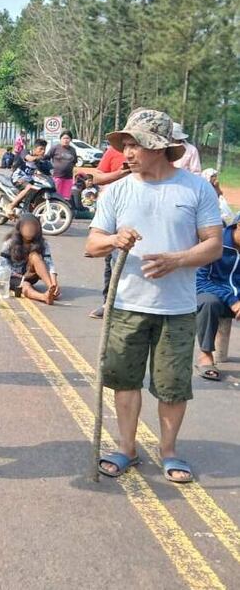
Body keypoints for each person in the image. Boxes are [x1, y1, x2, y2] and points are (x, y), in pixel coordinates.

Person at [86, 108, 222, 484]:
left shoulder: (196, 189)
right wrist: (114, 240)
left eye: (136, 145)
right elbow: (92, 244)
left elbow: (213, 245)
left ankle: (169, 452)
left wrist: (178, 260)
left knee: (172, 385)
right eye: (125, 145)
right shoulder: (117, 191)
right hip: (126, 305)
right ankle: (126, 449)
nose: (127, 153)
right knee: (124, 380)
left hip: (177, 308)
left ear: (160, 147)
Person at [88, 144, 133, 319]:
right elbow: (97, 178)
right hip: (115, 213)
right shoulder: (114, 151)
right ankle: (109, 303)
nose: (131, 152)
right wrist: (120, 174)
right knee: (111, 259)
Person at [195, 214, 240, 381]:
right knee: (209, 302)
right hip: (214, 295)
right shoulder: (215, 242)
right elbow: (200, 281)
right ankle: (205, 355)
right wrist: (233, 301)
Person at [0, 214, 59, 304]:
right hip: (12, 276)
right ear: (20, 228)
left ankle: (50, 288)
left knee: (35, 256)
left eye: (33, 227)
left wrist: (54, 283)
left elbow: (49, 263)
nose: (30, 230)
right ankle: (43, 297)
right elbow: (2, 266)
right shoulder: (9, 243)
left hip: (30, 274)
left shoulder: (43, 243)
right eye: (26, 227)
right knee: (26, 286)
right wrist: (19, 278)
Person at [5, 138, 51, 217]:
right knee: (30, 187)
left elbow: (47, 171)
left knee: (40, 188)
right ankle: (11, 206)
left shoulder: (39, 161)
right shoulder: (25, 152)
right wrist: (39, 158)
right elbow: (28, 158)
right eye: (41, 149)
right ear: (35, 148)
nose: (43, 151)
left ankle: (27, 209)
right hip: (18, 177)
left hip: (29, 179)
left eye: (44, 149)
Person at [45, 130, 77, 200]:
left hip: (68, 178)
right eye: (64, 138)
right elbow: (46, 158)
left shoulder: (73, 150)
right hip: (57, 177)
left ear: (70, 140)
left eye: (67, 138)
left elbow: (74, 162)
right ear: (60, 139)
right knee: (55, 196)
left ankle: (63, 210)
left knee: (65, 198)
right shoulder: (55, 148)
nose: (66, 140)